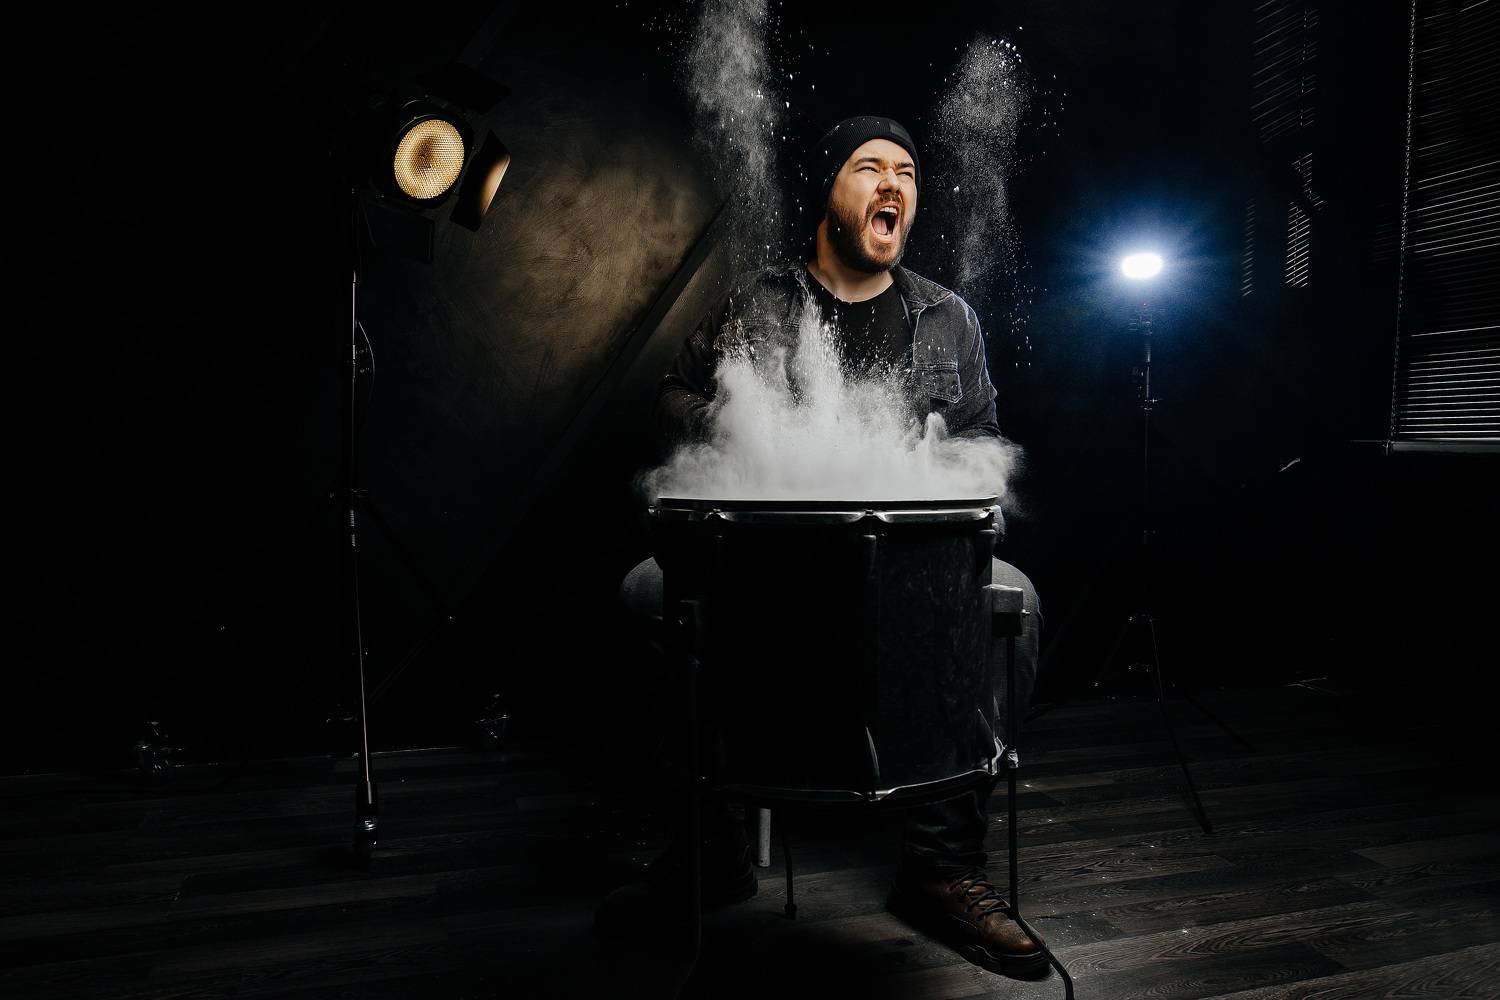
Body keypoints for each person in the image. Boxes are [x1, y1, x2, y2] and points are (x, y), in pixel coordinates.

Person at [600, 116, 1045, 979]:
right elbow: (671, 396)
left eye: (907, 172)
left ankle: (941, 866)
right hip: (766, 569)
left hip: (910, 574)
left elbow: (984, 438)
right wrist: (746, 422)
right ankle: (711, 855)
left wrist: (942, 466)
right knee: (647, 592)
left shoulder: (947, 317)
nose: (894, 184)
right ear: (830, 192)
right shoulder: (758, 302)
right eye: (870, 167)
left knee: (1016, 605)